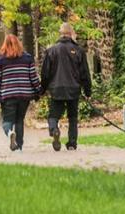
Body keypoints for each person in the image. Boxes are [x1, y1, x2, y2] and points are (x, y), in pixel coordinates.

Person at [39, 22, 91, 151]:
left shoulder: (51, 51)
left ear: (61, 34)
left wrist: (42, 89)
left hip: (56, 88)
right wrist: (87, 91)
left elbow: (45, 73)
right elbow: (84, 73)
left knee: (53, 115)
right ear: (71, 33)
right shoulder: (79, 50)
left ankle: (54, 129)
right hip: (73, 88)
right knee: (72, 117)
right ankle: (72, 143)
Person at [0, 32, 39, 151]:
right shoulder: (27, 58)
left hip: (8, 95)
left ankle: (9, 133)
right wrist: (38, 90)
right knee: (19, 120)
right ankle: (19, 145)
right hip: (24, 95)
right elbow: (33, 77)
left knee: (7, 120)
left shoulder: (1, 60)